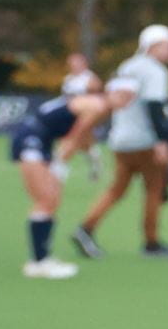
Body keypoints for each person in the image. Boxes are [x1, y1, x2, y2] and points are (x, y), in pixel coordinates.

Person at [74, 24, 168, 260]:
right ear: (154, 45)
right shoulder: (156, 71)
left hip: (121, 139)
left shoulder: (127, 66)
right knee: (154, 189)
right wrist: (163, 141)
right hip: (144, 140)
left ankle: (86, 227)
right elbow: (155, 108)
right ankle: (151, 242)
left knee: (116, 189)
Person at [11, 75, 125, 278]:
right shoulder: (97, 106)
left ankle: (42, 258)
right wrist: (59, 165)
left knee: (51, 201)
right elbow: (75, 136)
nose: (128, 101)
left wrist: (93, 159)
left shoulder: (97, 106)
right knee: (46, 200)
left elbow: (84, 138)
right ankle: (38, 263)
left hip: (42, 143)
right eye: (124, 95)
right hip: (31, 141)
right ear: (111, 93)